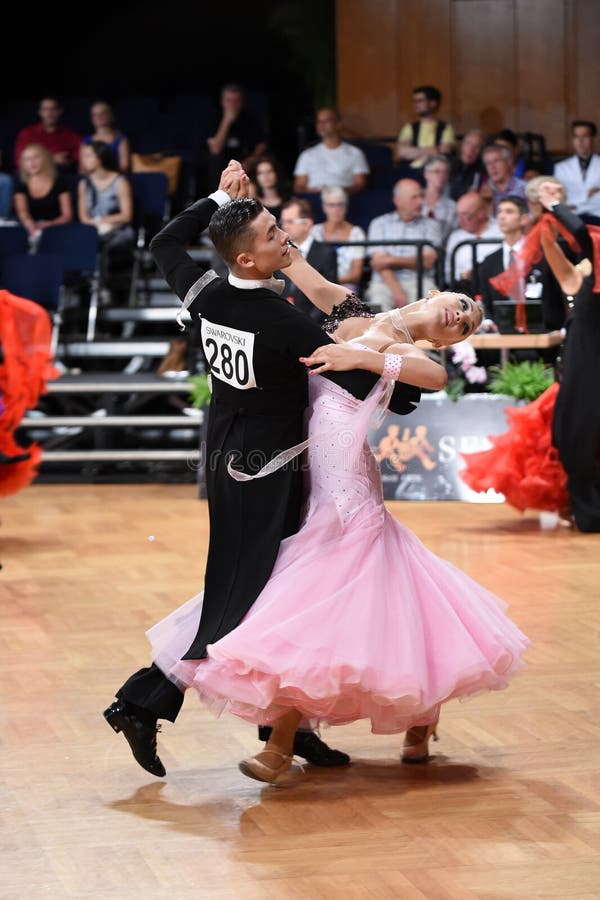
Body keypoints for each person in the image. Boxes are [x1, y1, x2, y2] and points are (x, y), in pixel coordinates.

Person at [144, 268, 530, 787]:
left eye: (464, 327)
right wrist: (252, 220)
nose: (460, 318)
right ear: (437, 295)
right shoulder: (352, 313)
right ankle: (418, 722)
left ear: (445, 340)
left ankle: (280, 749)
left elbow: (435, 380)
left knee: (314, 616)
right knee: (389, 611)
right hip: (307, 485)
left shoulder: (415, 356)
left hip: (348, 498)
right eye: (461, 305)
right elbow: (303, 271)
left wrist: (362, 358)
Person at [103, 161, 421, 777]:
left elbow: (165, 241)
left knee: (271, 593)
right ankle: (141, 702)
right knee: (247, 598)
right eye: (274, 235)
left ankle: (285, 727)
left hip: (229, 456)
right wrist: (409, 371)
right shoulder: (279, 321)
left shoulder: (205, 291)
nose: (286, 240)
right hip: (267, 470)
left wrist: (219, 196)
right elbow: (349, 370)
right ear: (246, 259)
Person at [460, 180, 600, 532]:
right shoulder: (582, 276)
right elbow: (564, 259)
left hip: (590, 360)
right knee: (576, 432)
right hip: (583, 361)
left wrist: (554, 206)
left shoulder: (591, 254)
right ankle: (584, 508)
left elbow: (582, 233)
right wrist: (547, 229)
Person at [365, 178, 441, 310]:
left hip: (419, 280)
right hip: (385, 282)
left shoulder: (431, 225)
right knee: (379, 303)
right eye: (414, 197)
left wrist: (389, 260)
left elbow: (427, 261)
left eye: (421, 196)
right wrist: (398, 292)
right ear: (397, 201)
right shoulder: (379, 224)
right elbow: (379, 264)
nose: (420, 202)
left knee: (431, 304)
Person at [77, 141, 135, 292]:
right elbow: (83, 217)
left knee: (103, 244)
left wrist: (103, 221)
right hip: (92, 228)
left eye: (89, 156)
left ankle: (101, 288)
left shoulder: (120, 181)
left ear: (100, 157)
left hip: (117, 229)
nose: (84, 160)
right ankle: (86, 286)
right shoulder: (84, 184)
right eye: (83, 156)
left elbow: (126, 215)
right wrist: (95, 223)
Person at [279, 197, 338, 322]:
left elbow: (329, 297)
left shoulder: (326, 254)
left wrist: (308, 323)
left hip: (315, 325)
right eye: (283, 222)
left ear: (307, 224)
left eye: (290, 222)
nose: (284, 227)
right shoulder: (279, 251)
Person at [293, 108, 369, 194]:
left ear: (338, 124)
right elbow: (299, 186)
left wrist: (339, 192)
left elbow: (360, 184)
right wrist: (312, 191)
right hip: (314, 199)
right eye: (319, 121)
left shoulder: (355, 153)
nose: (321, 125)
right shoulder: (307, 155)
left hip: (343, 200)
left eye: (326, 121)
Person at [206, 84, 268, 189]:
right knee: (212, 161)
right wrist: (227, 121)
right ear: (222, 101)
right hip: (221, 163)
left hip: (245, 161)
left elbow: (261, 144)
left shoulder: (250, 118)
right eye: (229, 101)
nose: (232, 105)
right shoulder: (213, 117)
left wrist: (251, 159)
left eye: (236, 101)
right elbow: (215, 149)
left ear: (242, 102)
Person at [13, 143, 73, 248]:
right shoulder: (21, 185)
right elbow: (23, 212)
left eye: (35, 157)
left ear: (45, 159)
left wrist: (50, 224)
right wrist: (30, 225)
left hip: (56, 229)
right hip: (30, 230)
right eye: (27, 159)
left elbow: (67, 215)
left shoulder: (60, 182)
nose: (32, 162)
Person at [311, 185, 367, 294]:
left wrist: (326, 282)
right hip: (318, 288)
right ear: (324, 207)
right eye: (331, 205)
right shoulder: (314, 231)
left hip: (346, 288)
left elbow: (356, 275)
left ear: (346, 207)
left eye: (340, 205)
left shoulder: (356, 233)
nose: (336, 210)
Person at [444, 192, 502, 295]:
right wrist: (465, 276)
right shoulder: (455, 237)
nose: (460, 221)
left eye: (466, 215)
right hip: (465, 290)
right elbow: (448, 274)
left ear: (481, 213)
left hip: (497, 288)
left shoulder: (501, 231)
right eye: (458, 215)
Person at [394, 85, 456, 173]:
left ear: (433, 103)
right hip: (411, 172)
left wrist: (414, 152)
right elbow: (401, 152)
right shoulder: (409, 127)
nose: (415, 104)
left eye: (420, 101)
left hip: (435, 173)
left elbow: (444, 151)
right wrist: (433, 150)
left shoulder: (446, 128)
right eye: (414, 101)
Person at [13, 97, 82, 174]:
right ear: (40, 112)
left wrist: (69, 159)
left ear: (60, 111)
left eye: (53, 109)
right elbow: (19, 161)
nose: (49, 113)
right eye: (45, 109)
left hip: (61, 176)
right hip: (33, 176)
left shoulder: (70, 135)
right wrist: (51, 159)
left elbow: (82, 154)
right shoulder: (27, 133)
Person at [553, 120, 600, 224]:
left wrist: (575, 203)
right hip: (572, 220)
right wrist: (587, 194)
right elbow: (559, 197)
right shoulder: (561, 167)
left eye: (585, 136)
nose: (580, 141)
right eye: (576, 137)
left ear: (593, 139)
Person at [80, 101, 131, 173]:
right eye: (95, 115)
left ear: (110, 116)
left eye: (103, 113)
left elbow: (124, 167)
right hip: (92, 179)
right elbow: (82, 169)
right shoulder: (86, 141)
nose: (98, 117)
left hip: (115, 179)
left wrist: (107, 178)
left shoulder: (121, 139)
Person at [480, 144, 527, 215]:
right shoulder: (484, 190)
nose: (492, 167)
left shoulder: (525, 188)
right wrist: (487, 203)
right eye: (488, 163)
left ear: (508, 162)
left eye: (496, 161)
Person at [421, 154, 457, 246]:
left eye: (445, 172)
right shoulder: (414, 200)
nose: (442, 176)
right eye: (437, 171)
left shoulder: (452, 206)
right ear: (426, 174)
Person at [247, 154, 290, 222]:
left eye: (269, 171)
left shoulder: (289, 200)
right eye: (260, 173)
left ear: (276, 173)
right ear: (256, 177)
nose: (265, 176)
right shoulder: (253, 206)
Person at [449, 129, 487, 200]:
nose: (471, 149)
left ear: (481, 151)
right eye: (468, 144)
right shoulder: (449, 163)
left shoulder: (482, 170)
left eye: (477, 146)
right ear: (462, 145)